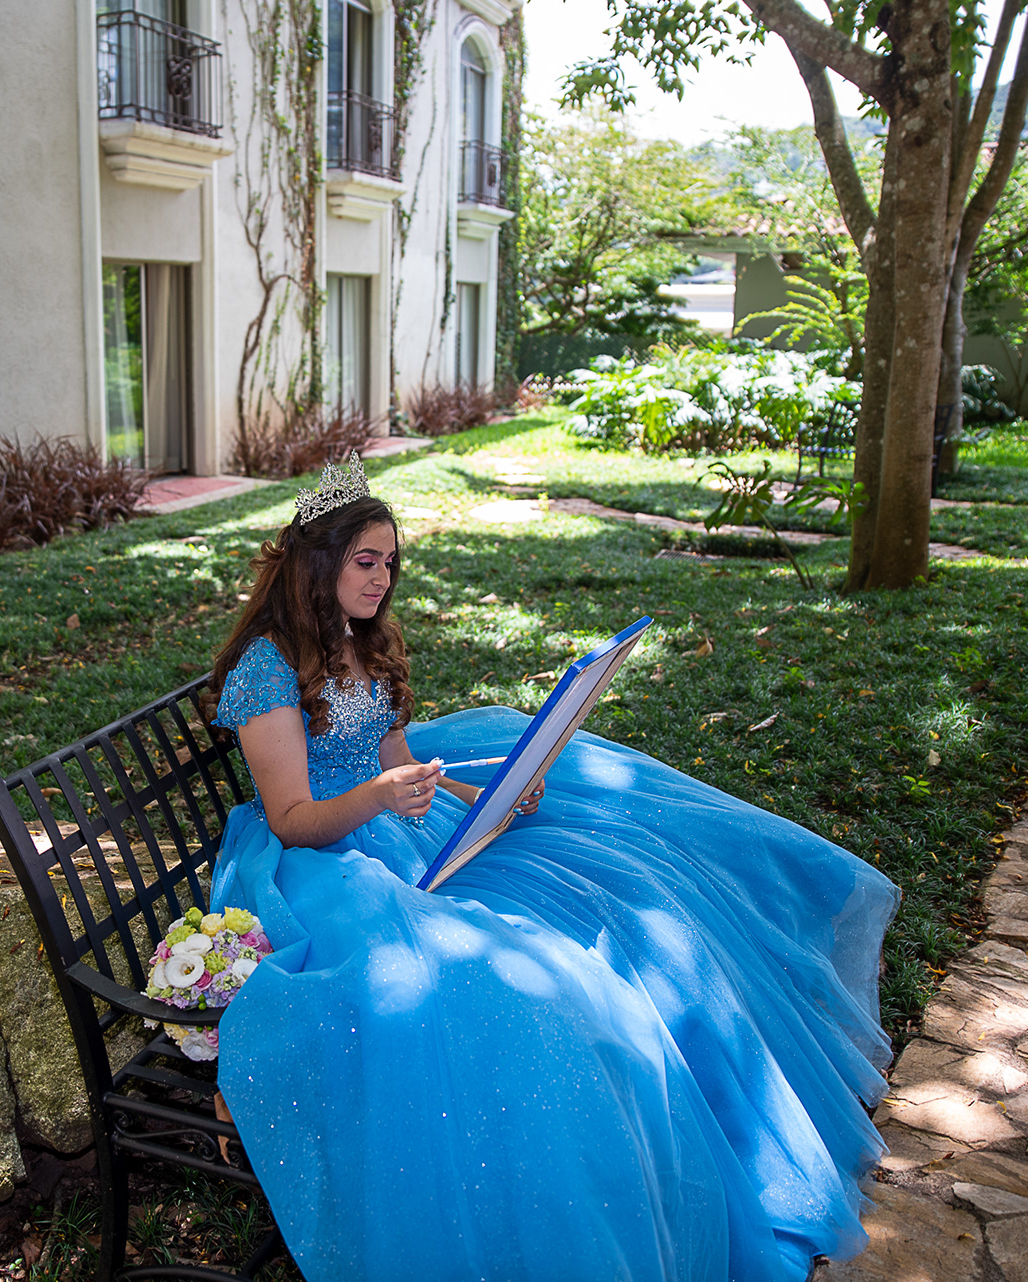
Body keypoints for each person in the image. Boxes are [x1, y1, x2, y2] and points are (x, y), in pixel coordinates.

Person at [206, 455, 899, 1282]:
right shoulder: (267, 666)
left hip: (391, 824)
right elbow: (291, 820)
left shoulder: (364, 639)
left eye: (391, 562)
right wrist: (385, 796)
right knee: (499, 984)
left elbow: (394, 756)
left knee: (615, 873)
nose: (383, 578)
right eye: (366, 561)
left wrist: (482, 790)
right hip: (319, 861)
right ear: (317, 563)